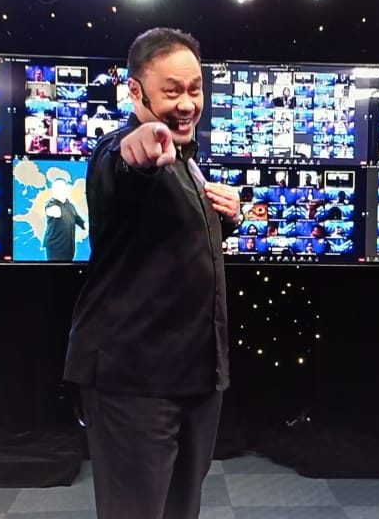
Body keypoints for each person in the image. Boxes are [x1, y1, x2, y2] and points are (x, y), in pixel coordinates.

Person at [64, 27, 241, 519]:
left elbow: (167, 242)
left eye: (195, 89)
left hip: (196, 376)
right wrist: (137, 149)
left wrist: (227, 219)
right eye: (171, 91)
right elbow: (123, 168)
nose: (187, 104)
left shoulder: (186, 158)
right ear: (136, 92)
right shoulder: (120, 150)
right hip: (134, 382)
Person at [42, 177, 86, 261]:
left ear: (66, 189)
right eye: (56, 188)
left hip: (69, 249)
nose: (58, 190)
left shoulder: (70, 206)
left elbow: (77, 218)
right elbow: (50, 210)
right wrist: (54, 211)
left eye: (61, 188)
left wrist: (85, 225)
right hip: (55, 249)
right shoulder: (51, 204)